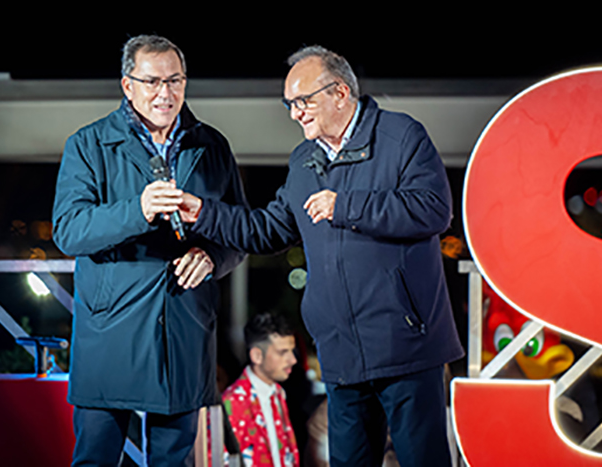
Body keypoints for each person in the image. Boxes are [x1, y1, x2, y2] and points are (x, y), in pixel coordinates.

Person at [174, 46, 464, 466]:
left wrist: (344, 205)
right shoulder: (303, 162)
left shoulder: (402, 136)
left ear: (340, 92)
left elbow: (433, 209)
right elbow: (267, 230)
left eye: (303, 101)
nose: (295, 113)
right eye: (289, 104)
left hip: (407, 346)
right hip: (342, 353)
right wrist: (202, 211)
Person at [52, 35, 247, 466]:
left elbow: (239, 232)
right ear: (128, 85)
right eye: (153, 81)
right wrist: (137, 210)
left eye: (175, 80)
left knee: (174, 460)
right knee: (96, 458)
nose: (166, 93)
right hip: (111, 329)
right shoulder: (88, 145)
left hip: (183, 324)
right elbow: (69, 231)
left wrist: (213, 257)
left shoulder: (212, 146)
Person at [219, 313, 299, 467]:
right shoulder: (232, 402)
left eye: (292, 351)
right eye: (283, 352)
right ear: (257, 355)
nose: (293, 360)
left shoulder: (277, 393)